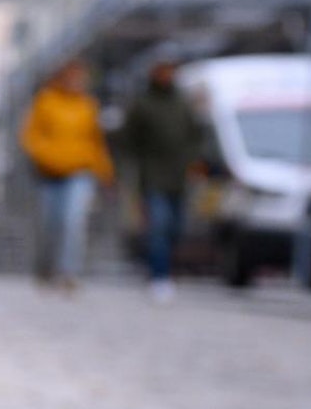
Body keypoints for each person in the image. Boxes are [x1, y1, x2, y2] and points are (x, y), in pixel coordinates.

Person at [21, 60, 115, 291]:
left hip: (80, 171)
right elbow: (31, 135)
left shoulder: (88, 106)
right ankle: (45, 268)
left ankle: (69, 272)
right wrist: (45, 156)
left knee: (73, 222)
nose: (78, 83)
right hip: (49, 172)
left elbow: (96, 142)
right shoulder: (46, 101)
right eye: (74, 78)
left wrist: (105, 171)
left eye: (81, 79)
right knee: (49, 224)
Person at [120, 60, 204, 302]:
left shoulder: (181, 103)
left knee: (176, 228)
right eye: (162, 72)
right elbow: (128, 139)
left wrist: (193, 161)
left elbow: (195, 135)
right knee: (158, 226)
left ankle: (165, 269)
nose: (167, 76)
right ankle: (159, 276)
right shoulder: (143, 104)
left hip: (179, 177)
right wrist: (135, 165)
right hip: (153, 176)